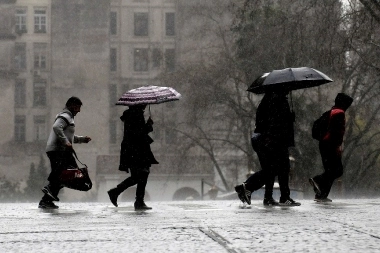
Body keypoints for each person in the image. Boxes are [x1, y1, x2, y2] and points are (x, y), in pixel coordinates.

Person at [235, 90, 301, 206]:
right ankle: (249, 188)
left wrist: (289, 118)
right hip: (272, 140)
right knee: (280, 168)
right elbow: (275, 122)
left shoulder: (269, 99)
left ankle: (268, 197)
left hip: (266, 139)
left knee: (271, 169)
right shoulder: (277, 99)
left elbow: (267, 120)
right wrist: (288, 119)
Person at [38, 96, 91, 209]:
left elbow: (69, 136)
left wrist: (82, 139)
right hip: (57, 150)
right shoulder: (65, 116)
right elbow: (56, 127)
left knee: (66, 175)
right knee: (65, 173)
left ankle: (46, 200)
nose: (79, 110)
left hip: (62, 150)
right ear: (71, 105)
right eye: (77, 107)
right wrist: (65, 142)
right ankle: (49, 190)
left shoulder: (69, 118)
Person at [107, 104, 158, 210]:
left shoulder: (131, 114)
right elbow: (138, 133)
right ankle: (120, 193)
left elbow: (136, 132)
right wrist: (148, 125)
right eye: (143, 103)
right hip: (137, 150)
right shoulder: (136, 114)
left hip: (133, 149)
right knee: (141, 174)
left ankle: (137, 200)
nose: (145, 105)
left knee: (140, 175)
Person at [309, 93, 353, 202]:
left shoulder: (331, 111)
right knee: (337, 170)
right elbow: (336, 132)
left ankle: (321, 195)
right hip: (330, 144)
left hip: (324, 144)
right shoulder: (339, 113)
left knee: (330, 170)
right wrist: (337, 146)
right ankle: (318, 180)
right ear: (344, 103)